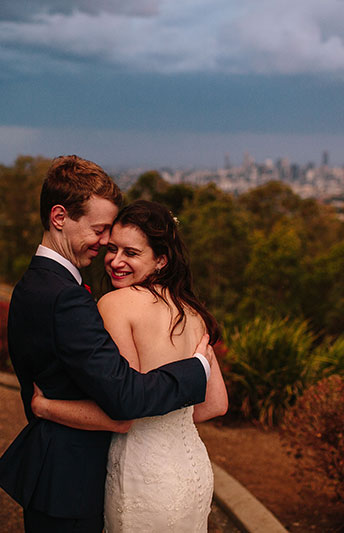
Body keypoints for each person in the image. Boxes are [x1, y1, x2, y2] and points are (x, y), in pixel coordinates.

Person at [0, 156, 215, 533]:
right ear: (59, 217)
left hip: (59, 473)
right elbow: (124, 401)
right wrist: (198, 369)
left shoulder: (34, 284)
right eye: (100, 229)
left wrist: (46, 405)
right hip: (70, 481)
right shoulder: (67, 298)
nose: (107, 241)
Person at [31, 200, 228, 531]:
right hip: (191, 471)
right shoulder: (193, 313)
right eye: (112, 249)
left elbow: (123, 412)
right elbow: (216, 405)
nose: (115, 261)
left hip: (143, 475)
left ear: (161, 260)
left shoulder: (115, 304)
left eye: (131, 253)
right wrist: (169, 419)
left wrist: (45, 407)